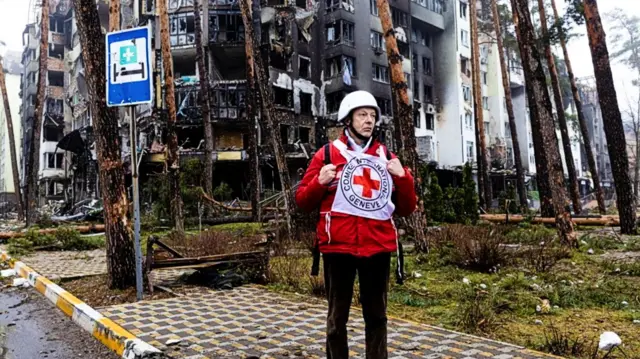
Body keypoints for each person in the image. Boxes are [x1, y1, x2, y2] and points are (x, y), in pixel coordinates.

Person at [295, 90, 417, 359]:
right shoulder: (327, 154)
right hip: (338, 248)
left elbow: (407, 208)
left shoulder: (386, 157)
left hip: (377, 247)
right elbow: (302, 201)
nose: (369, 121)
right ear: (347, 119)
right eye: (362, 115)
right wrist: (319, 182)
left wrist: (403, 177)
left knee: (377, 317)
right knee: (337, 319)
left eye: (373, 116)